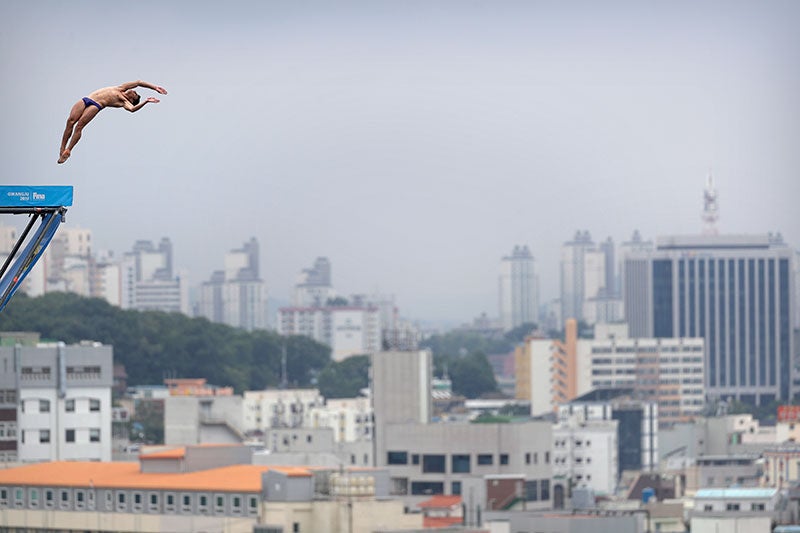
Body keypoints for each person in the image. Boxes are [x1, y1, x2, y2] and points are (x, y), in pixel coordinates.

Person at [58, 80, 168, 164]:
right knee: (70, 121)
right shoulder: (121, 88)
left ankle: (68, 150)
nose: (134, 91)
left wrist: (146, 101)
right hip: (87, 99)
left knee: (79, 126)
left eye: (135, 94)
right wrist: (155, 87)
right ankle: (62, 148)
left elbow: (132, 110)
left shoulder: (123, 101)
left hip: (96, 105)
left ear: (132, 100)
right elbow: (138, 82)